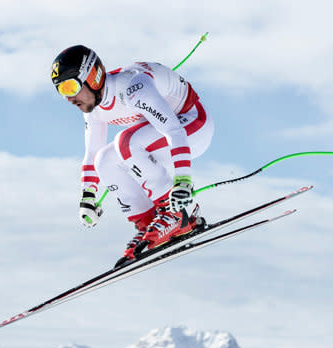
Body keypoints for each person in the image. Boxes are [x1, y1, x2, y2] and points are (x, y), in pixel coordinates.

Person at [51, 45, 214, 263]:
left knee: (126, 143)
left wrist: (183, 181)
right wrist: (87, 197)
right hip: (166, 137)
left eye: (70, 87)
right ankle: (150, 223)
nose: (68, 98)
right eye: (61, 91)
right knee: (105, 160)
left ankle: (179, 215)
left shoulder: (133, 87)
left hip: (193, 125)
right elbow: (92, 153)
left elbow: (173, 130)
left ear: (93, 76)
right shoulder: (94, 108)